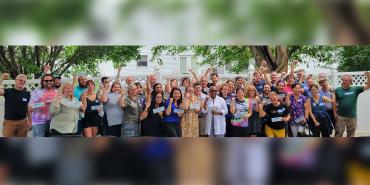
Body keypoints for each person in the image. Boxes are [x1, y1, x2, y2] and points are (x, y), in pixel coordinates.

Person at [335, 72, 370, 137]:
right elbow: (334, 102)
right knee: (339, 133)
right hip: (340, 116)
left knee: (351, 134)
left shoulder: (355, 89)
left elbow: (368, 86)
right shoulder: (338, 90)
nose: (343, 81)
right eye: (343, 80)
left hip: (352, 116)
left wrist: (368, 77)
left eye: (346, 80)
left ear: (350, 82)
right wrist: (335, 113)